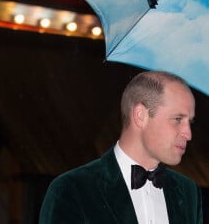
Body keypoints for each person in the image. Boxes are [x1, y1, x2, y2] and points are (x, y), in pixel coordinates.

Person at [39, 71, 203, 223]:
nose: (188, 134)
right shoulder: (71, 189)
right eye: (177, 119)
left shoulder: (188, 192)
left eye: (189, 122)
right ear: (140, 116)